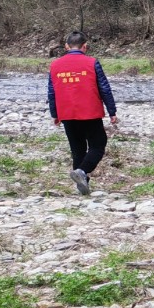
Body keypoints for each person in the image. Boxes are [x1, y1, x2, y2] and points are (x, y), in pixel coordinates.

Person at [47, 31, 118, 196]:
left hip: (66, 112)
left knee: (77, 149)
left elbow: (51, 92)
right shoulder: (92, 62)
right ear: (85, 46)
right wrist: (112, 111)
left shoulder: (55, 65)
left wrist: (55, 114)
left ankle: (82, 186)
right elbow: (104, 88)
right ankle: (82, 172)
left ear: (66, 46)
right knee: (98, 144)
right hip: (90, 111)